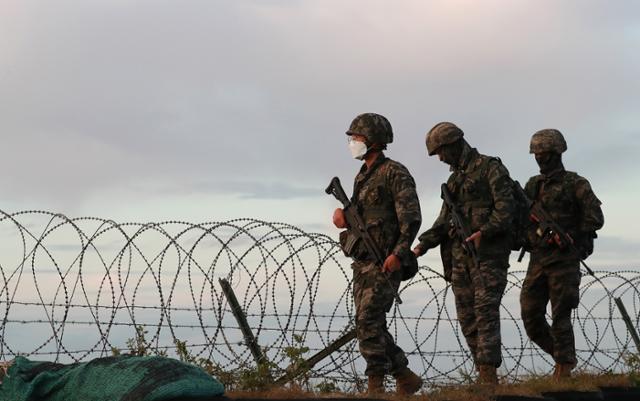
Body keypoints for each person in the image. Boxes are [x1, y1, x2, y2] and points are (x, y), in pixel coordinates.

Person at [412, 122, 516, 384]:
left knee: (485, 311)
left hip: (488, 255)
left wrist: (485, 232)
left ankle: (488, 373)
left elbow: (506, 209)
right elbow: (443, 221)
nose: (440, 158)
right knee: (467, 316)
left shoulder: (490, 168)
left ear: (453, 144)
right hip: (459, 258)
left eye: (440, 152)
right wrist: (422, 245)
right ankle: (482, 369)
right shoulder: (454, 181)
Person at [332, 112, 423, 395]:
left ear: (372, 140)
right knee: (367, 323)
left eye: (357, 138)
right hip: (363, 261)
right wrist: (342, 216)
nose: (353, 142)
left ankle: (376, 384)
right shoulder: (362, 176)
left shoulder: (395, 172)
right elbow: (363, 216)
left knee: (368, 320)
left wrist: (398, 253)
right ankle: (404, 375)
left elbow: (411, 219)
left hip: (385, 260)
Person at [519, 129, 604, 379]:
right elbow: (521, 218)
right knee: (530, 315)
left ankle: (564, 369)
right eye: (537, 154)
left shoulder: (576, 184)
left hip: (564, 260)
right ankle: (562, 355)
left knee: (561, 314)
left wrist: (570, 236)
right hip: (538, 259)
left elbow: (595, 218)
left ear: (557, 153)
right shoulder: (533, 185)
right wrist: (533, 233)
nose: (541, 159)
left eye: (545, 154)